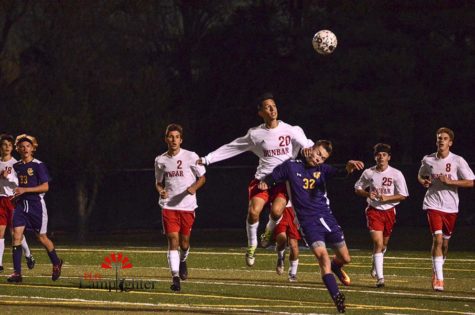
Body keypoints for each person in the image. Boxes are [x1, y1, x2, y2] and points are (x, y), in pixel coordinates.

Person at [197, 93, 313, 266]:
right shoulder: (255, 134)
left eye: (274, 105)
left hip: (282, 182)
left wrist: (308, 149)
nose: (272, 109)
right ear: (260, 112)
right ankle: (252, 246)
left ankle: (267, 232)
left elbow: (308, 144)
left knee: (276, 212)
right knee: (253, 212)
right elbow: (232, 147)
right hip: (263, 179)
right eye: (267, 107)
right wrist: (207, 159)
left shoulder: (291, 130)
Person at [258, 140, 364, 313]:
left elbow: (339, 173)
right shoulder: (292, 166)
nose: (318, 159)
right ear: (311, 149)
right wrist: (266, 183)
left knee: (345, 258)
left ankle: (336, 266)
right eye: (317, 154)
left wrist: (348, 168)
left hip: (326, 217)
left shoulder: (322, 169)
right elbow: (274, 175)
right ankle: (336, 296)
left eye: (322, 158)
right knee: (323, 257)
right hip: (307, 222)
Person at [417, 127, 474, 292]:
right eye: (439, 138)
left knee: (446, 243)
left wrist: (451, 182)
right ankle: (439, 279)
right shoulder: (428, 160)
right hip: (432, 204)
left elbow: (471, 181)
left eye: (444, 138)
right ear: (436, 141)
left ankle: (438, 267)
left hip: (451, 207)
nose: (441, 140)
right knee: (438, 239)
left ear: (450, 142)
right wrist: (423, 181)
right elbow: (421, 175)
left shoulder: (458, 160)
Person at [155, 124, 206, 292]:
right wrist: (161, 191)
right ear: (166, 139)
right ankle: (175, 277)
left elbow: (202, 178)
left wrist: (193, 188)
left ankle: (183, 260)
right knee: (173, 240)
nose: (174, 140)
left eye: (177, 137)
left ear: (181, 140)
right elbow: (158, 182)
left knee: (184, 243)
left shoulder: (191, 156)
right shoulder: (160, 160)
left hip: (187, 206)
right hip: (169, 206)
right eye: (171, 137)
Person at [7, 134, 63, 283]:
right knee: (16, 236)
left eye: (28, 146)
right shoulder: (16, 166)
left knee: (42, 238)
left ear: (33, 148)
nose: (25, 148)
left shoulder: (38, 165)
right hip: (20, 206)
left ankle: (56, 262)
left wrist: (25, 190)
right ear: (18, 149)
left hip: (36, 206)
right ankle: (17, 273)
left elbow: (45, 186)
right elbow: (15, 184)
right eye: (22, 146)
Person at [354, 143, 408, 288]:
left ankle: (375, 265)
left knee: (383, 245)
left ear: (389, 157)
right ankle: (381, 278)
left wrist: (388, 198)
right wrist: (367, 193)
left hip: (389, 212)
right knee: (377, 243)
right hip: (373, 211)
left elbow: (403, 195)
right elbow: (357, 188)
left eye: (384, 155)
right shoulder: (368, 173)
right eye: (378, 154)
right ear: (375, 157)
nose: (381, 157)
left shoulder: (396, 174)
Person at [0, 134, 35, 273]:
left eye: (9, 144)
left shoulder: (16, 164)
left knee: (15, 234)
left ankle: (28, 255)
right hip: (0, 200)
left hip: (13, 200)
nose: (7, 147)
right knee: (0, 232)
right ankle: (0, 263)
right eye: (4, 144)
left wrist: (8, 177)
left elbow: (19, 183)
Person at [274, 205, 300, 282]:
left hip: (293, 211)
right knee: (282, 239)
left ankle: (292, 273)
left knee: (293, 245)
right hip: (280, 209)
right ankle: (280, 258)